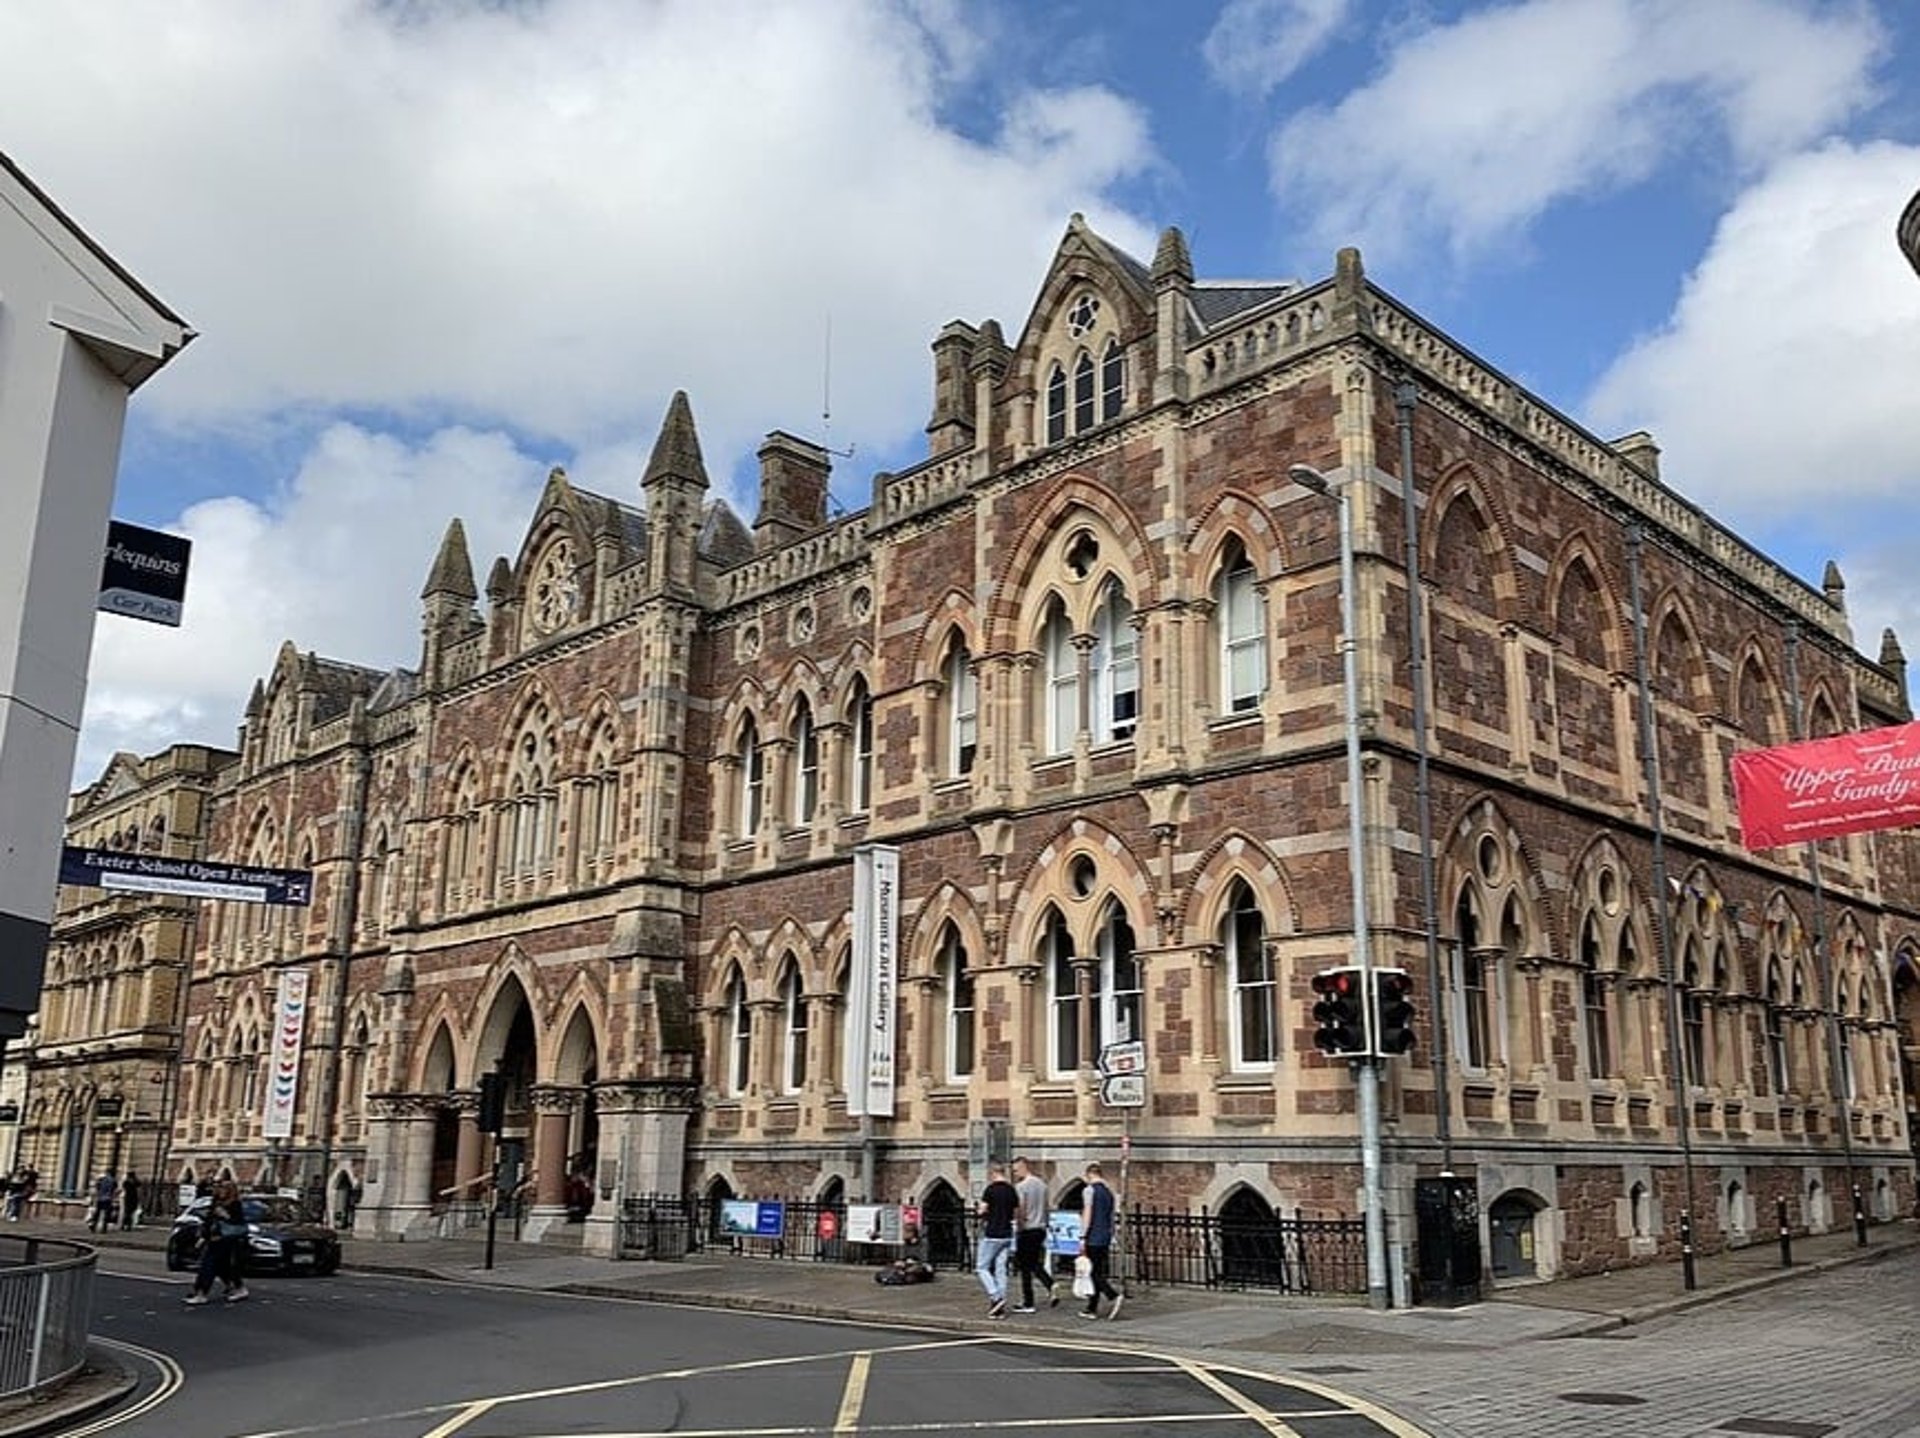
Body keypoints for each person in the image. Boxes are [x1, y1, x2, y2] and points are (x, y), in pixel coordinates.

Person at [185, 1179, 249, 1306]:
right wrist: (203, 1236)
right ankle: (237, 1287)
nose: (220, 1191)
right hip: (214, 1239)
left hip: (227, 1240)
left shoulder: (235, 1204)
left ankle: (201, 1293)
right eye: (219, 1188)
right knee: (222, 1267)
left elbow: (238, 1223)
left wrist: (225, 1215)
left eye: (224, 1189)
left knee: (208, 1266)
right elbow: (209, 1221)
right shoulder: (215, 1203)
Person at [1010, 1156, 1057, 1313]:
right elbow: (1046, 1207)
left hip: (1028, 1229)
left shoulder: (1021, 1187)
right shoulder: (1042, 1185)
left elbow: (1021, 1209)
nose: (1015, 1173)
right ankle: (1050, 1284)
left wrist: (1019, 1226)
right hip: (1040, 1228)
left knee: (1024, 1267)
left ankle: (1028, 1302)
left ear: (1024, 1167)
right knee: (1034, 1263)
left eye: (1016, 1170)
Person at [1077, 1161, 1123, 1320]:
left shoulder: (1089, 1191)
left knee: (1093, 1273)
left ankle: (1112, 1295)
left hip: (1093, 1237)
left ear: (1089, 1175)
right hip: (1105, 1236)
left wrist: (1082, 1236)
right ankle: (1092, 1308)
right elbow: (1110, 1216)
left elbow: (1087, 1213)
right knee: (1096, 1271)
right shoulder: (1109, 1192)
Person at [974, 1161, 1018, 1318]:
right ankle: (999, 1307)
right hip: (1007, 1234)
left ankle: (995, 1296)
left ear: (992, 1173)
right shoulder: (1011, 1190)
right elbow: (1015, 1212)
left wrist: (981, 1210)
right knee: (1001, 1269)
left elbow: (982, 1210)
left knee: (981, 1267)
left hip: (992, 1233)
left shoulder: (991, 1190)